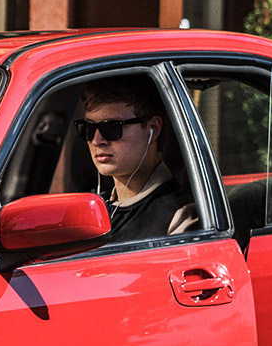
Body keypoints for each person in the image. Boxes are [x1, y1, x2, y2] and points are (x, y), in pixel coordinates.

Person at [76, 76, 195, 242]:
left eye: (111, 127)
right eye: (89, 128)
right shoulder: (92, 211)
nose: (97, 140)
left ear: (153, 128)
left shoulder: (180, 214)